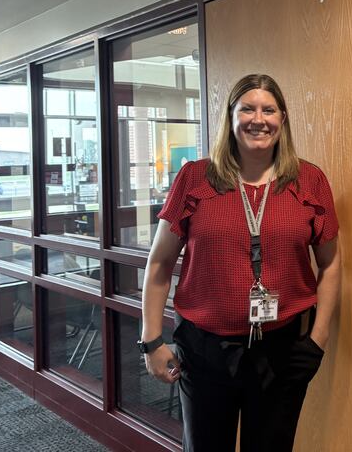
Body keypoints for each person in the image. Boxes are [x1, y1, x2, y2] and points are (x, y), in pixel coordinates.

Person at [140, 74, 340, 451]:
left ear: (283, 119)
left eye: (269, 109)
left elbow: (330, 264)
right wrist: (151, 341)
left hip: (283, 350)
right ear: (230, 117)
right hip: (205, 350)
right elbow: (159, 264)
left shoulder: (310, 181)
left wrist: (318, 340)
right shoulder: (195, 178)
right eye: (247, 108)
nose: (258, 119)